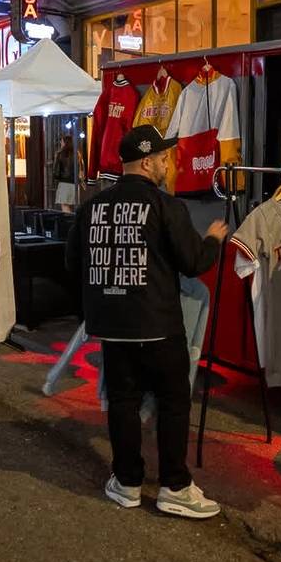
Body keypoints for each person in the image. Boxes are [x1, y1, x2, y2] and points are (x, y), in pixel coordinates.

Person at [66, 125, 229, 519]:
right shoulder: (166, 206)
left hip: (113, 328)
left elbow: (73, 266)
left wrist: (93, 311)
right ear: (146, 161)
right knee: (173, 403)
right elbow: (193, 263)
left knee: (123, 402)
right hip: (158, 326)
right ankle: (175, 486)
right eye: (163, 158)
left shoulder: (91, 208)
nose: (168, 164)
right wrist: (212, 240)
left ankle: (127, 482)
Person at [52, 133, 82, 212]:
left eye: (62, 142)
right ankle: (75, 222)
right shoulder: (77, 154)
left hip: (64, 183)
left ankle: (70, 223)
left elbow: (56, 172)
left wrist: (55, 177)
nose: (61, 144)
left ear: (65, 143)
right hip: (75, 184)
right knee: (74, 206)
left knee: (65, 206)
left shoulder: (60, 154)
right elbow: (81, 169)